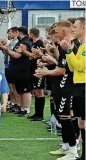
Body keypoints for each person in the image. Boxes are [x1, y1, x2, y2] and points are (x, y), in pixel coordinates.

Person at [35, 20, 79, 160]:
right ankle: (66, 146)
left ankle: (73, 151)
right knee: (63, 116)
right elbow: (62, 63)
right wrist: (51, 55)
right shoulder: (63, 45)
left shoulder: (71, 45)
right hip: (63, 85)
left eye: (56, 31)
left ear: (64, 31)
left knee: (67, 117)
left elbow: (62, 70)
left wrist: (45, 72)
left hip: (69, 86)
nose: (55, 34)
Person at [61, 17, 85, 160]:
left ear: (83, 28)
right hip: (78, 86)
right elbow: (71, 67)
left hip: (84, 87)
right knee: (81, 122)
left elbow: (81, 67)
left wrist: (69, 51)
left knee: (84, 123)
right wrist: (69, 52)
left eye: (75, 27)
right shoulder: (81, 46)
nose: (73, 29)